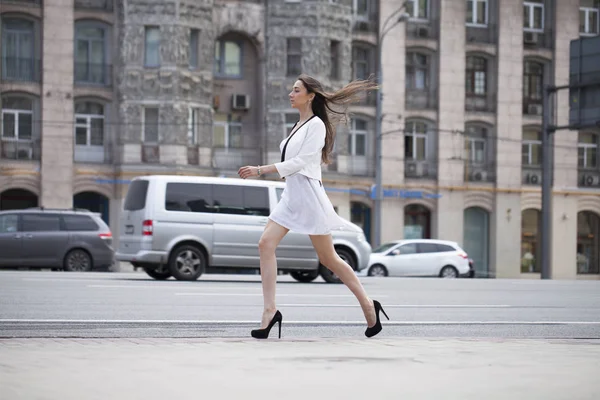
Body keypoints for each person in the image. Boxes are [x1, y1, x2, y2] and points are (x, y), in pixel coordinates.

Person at [238, 74, 388, 339]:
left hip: (307, 195)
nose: (290, 94)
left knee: (328, 259)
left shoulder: (317, 125)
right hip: (291, 194)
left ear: (310, 96)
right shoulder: (298, 124)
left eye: (296, 90)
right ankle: (270, 311)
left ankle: (368, 306)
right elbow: (293, 162)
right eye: (292, 90)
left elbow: (303, 160)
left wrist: (261, 169)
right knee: (265, 244)